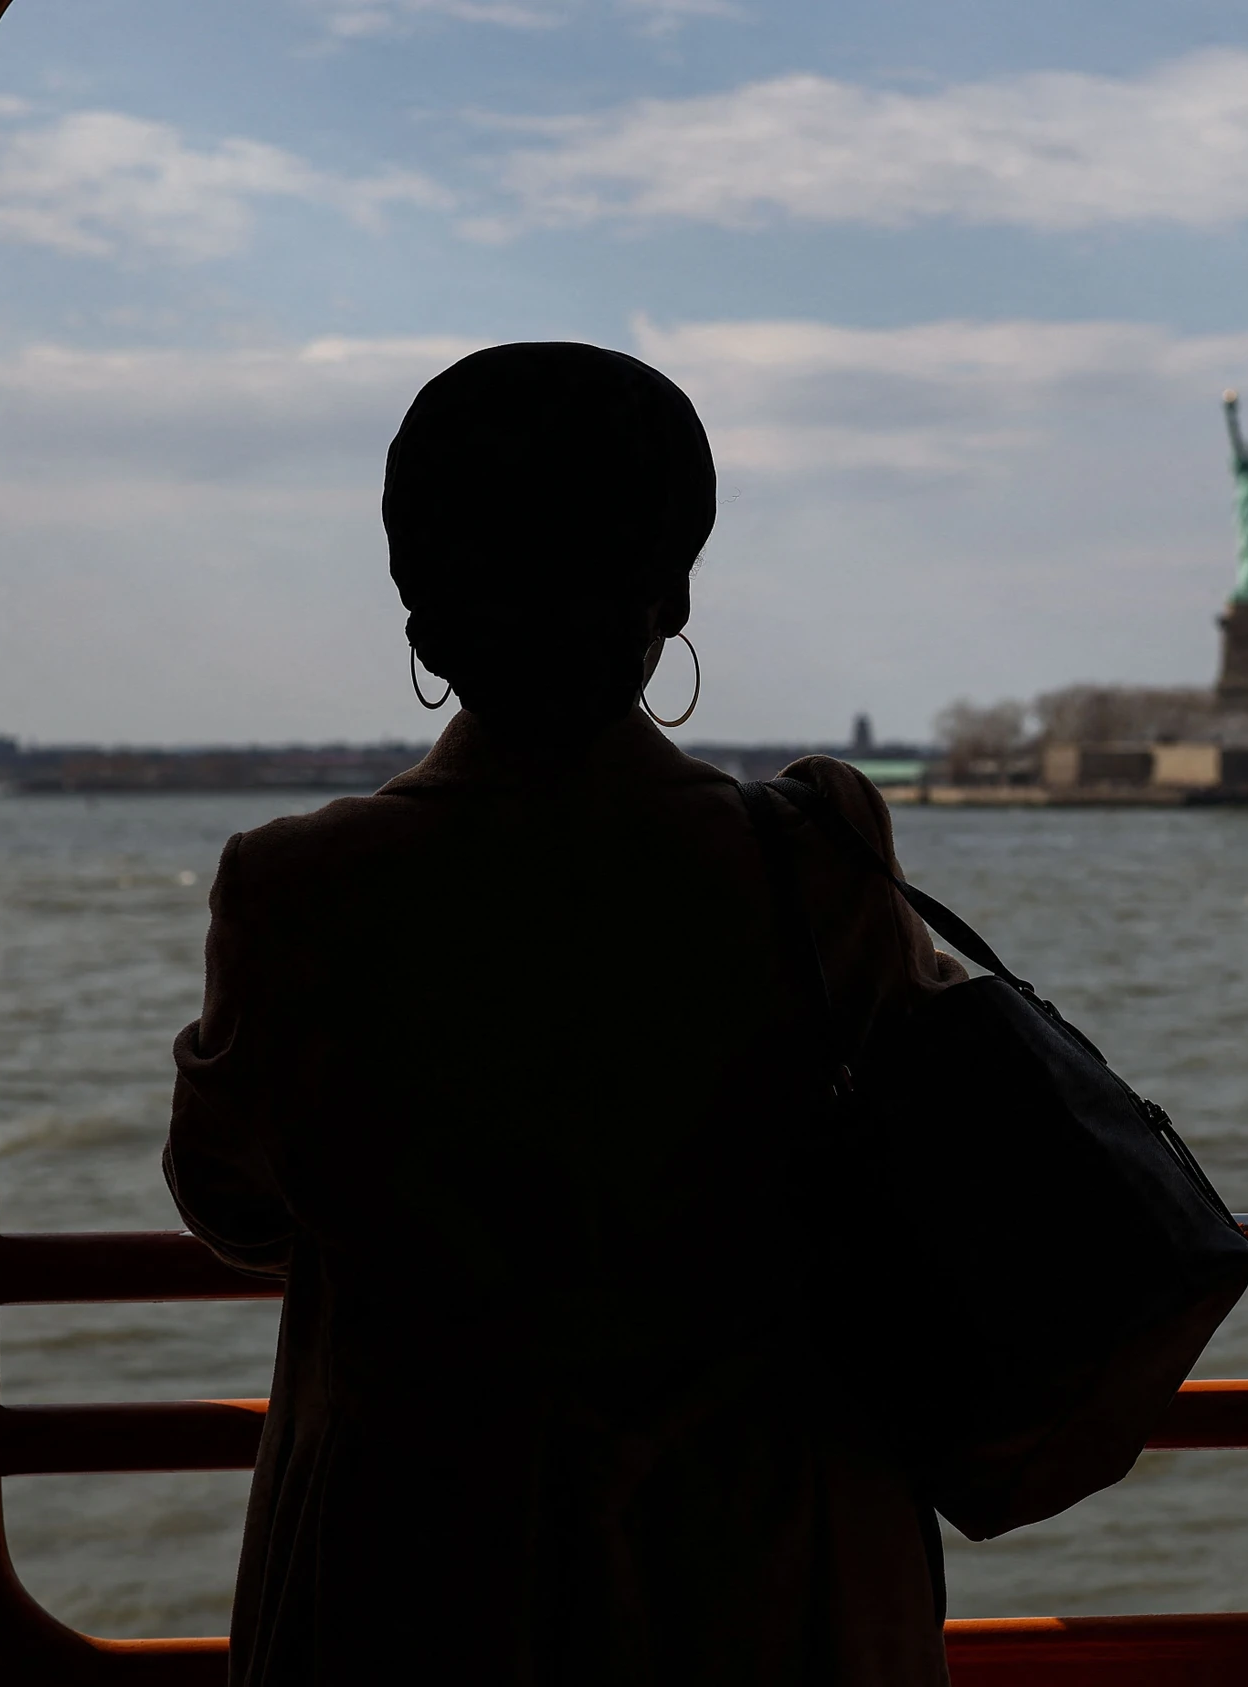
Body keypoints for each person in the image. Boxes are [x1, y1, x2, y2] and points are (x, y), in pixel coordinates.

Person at [165, 342, 962, 1686]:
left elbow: (233, 1202)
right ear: (672, 592)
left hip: (413, 1569)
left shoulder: (297, 884)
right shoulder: (813, 854)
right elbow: (929, 1147)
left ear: (422, 615)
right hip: (775, 1558)